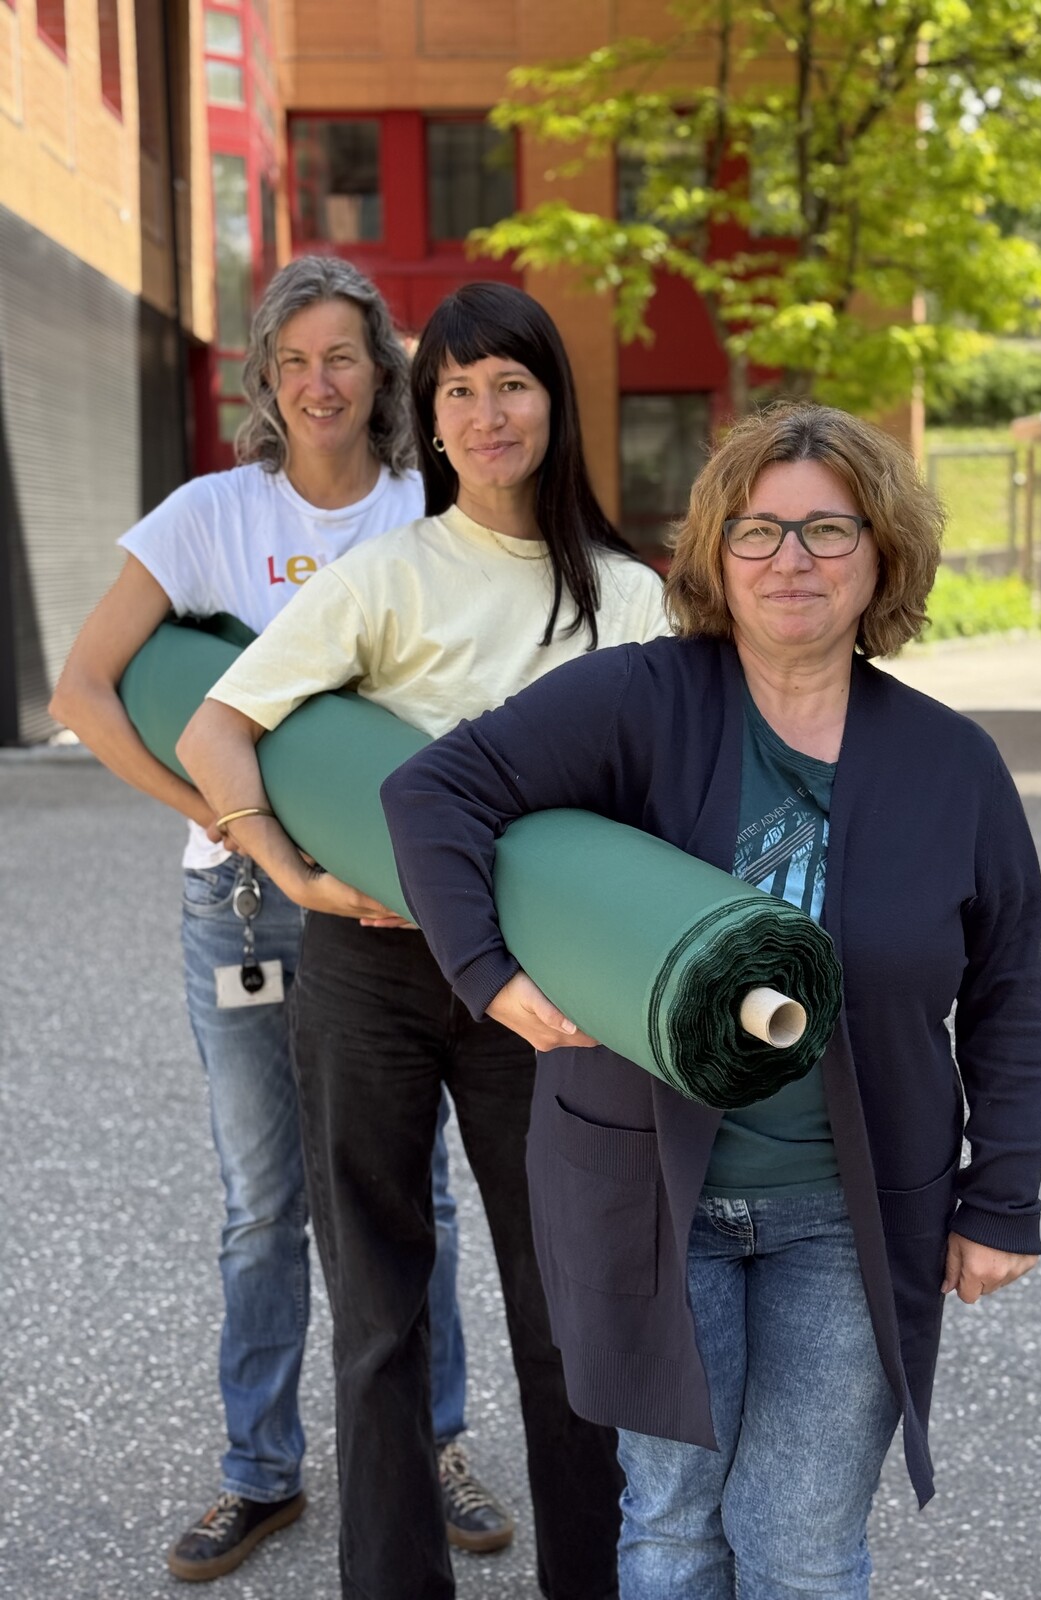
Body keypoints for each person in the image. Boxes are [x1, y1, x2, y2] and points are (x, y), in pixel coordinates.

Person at [382, 401, 1041, 1600]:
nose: (791, 560)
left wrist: (1000, 1196)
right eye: (758, 531)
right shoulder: (638, 700)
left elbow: (1008, 986)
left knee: (799, 1540)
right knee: (678, 1524)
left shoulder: (954, 766)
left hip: (850, 1214)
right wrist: (491, 978)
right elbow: (437, 791)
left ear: (883, 553)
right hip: (648, 1196)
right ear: (713, 554)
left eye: (828, 531)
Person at [175, 280, 670, 1600]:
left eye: (510, 382)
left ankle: (595, 1579)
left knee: (569, 1313)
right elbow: (216, 727)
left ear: (555, 403)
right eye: (457, 388)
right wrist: (294, 874)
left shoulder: (627, 597)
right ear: (431, 419)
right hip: (374, 979)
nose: (484, 409)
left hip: (547, 988)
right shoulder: (383, 574)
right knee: (379, 1317)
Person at [49, 256, 495, 1581]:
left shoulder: (435, 512)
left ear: (384, 375)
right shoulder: (206, 518)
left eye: (343, 357)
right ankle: (261, 1471)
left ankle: (436, 1444)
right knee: (263, 1202)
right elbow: (83, 690)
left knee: (415, 1188)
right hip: (243, 904)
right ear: (264, 376)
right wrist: (231, 819)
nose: (318, 383)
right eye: (292, 359)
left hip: (389, 907)